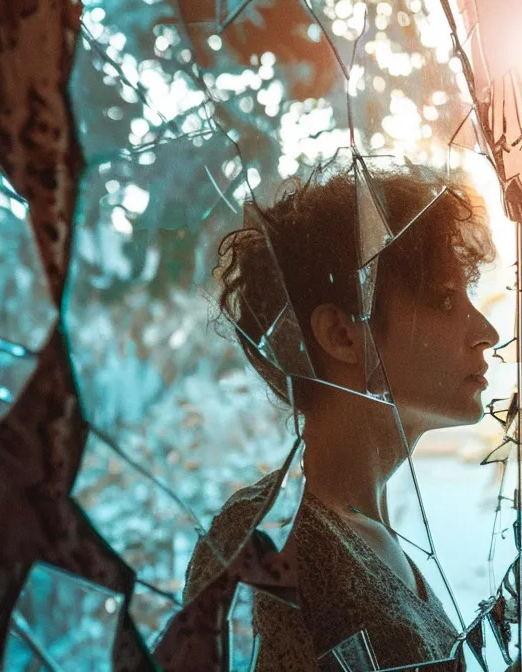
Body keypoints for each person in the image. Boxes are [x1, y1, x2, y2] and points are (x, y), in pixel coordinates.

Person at [184, 163, 499, 670]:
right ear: (342, 334)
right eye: (444, 299)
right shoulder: (266, 537)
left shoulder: (376, 542)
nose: (487, 331)